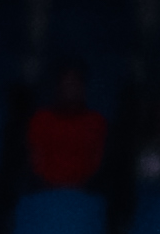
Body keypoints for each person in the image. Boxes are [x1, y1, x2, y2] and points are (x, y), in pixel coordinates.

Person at [24, 59, 106, 194]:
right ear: (58, 86)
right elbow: (35, 161)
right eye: (66, 82)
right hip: (45, 194)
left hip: (84, 195)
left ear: (83, 87)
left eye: (75, 82)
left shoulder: (96, 122)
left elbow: (96, 162)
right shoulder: (41, 119)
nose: (70, 88)